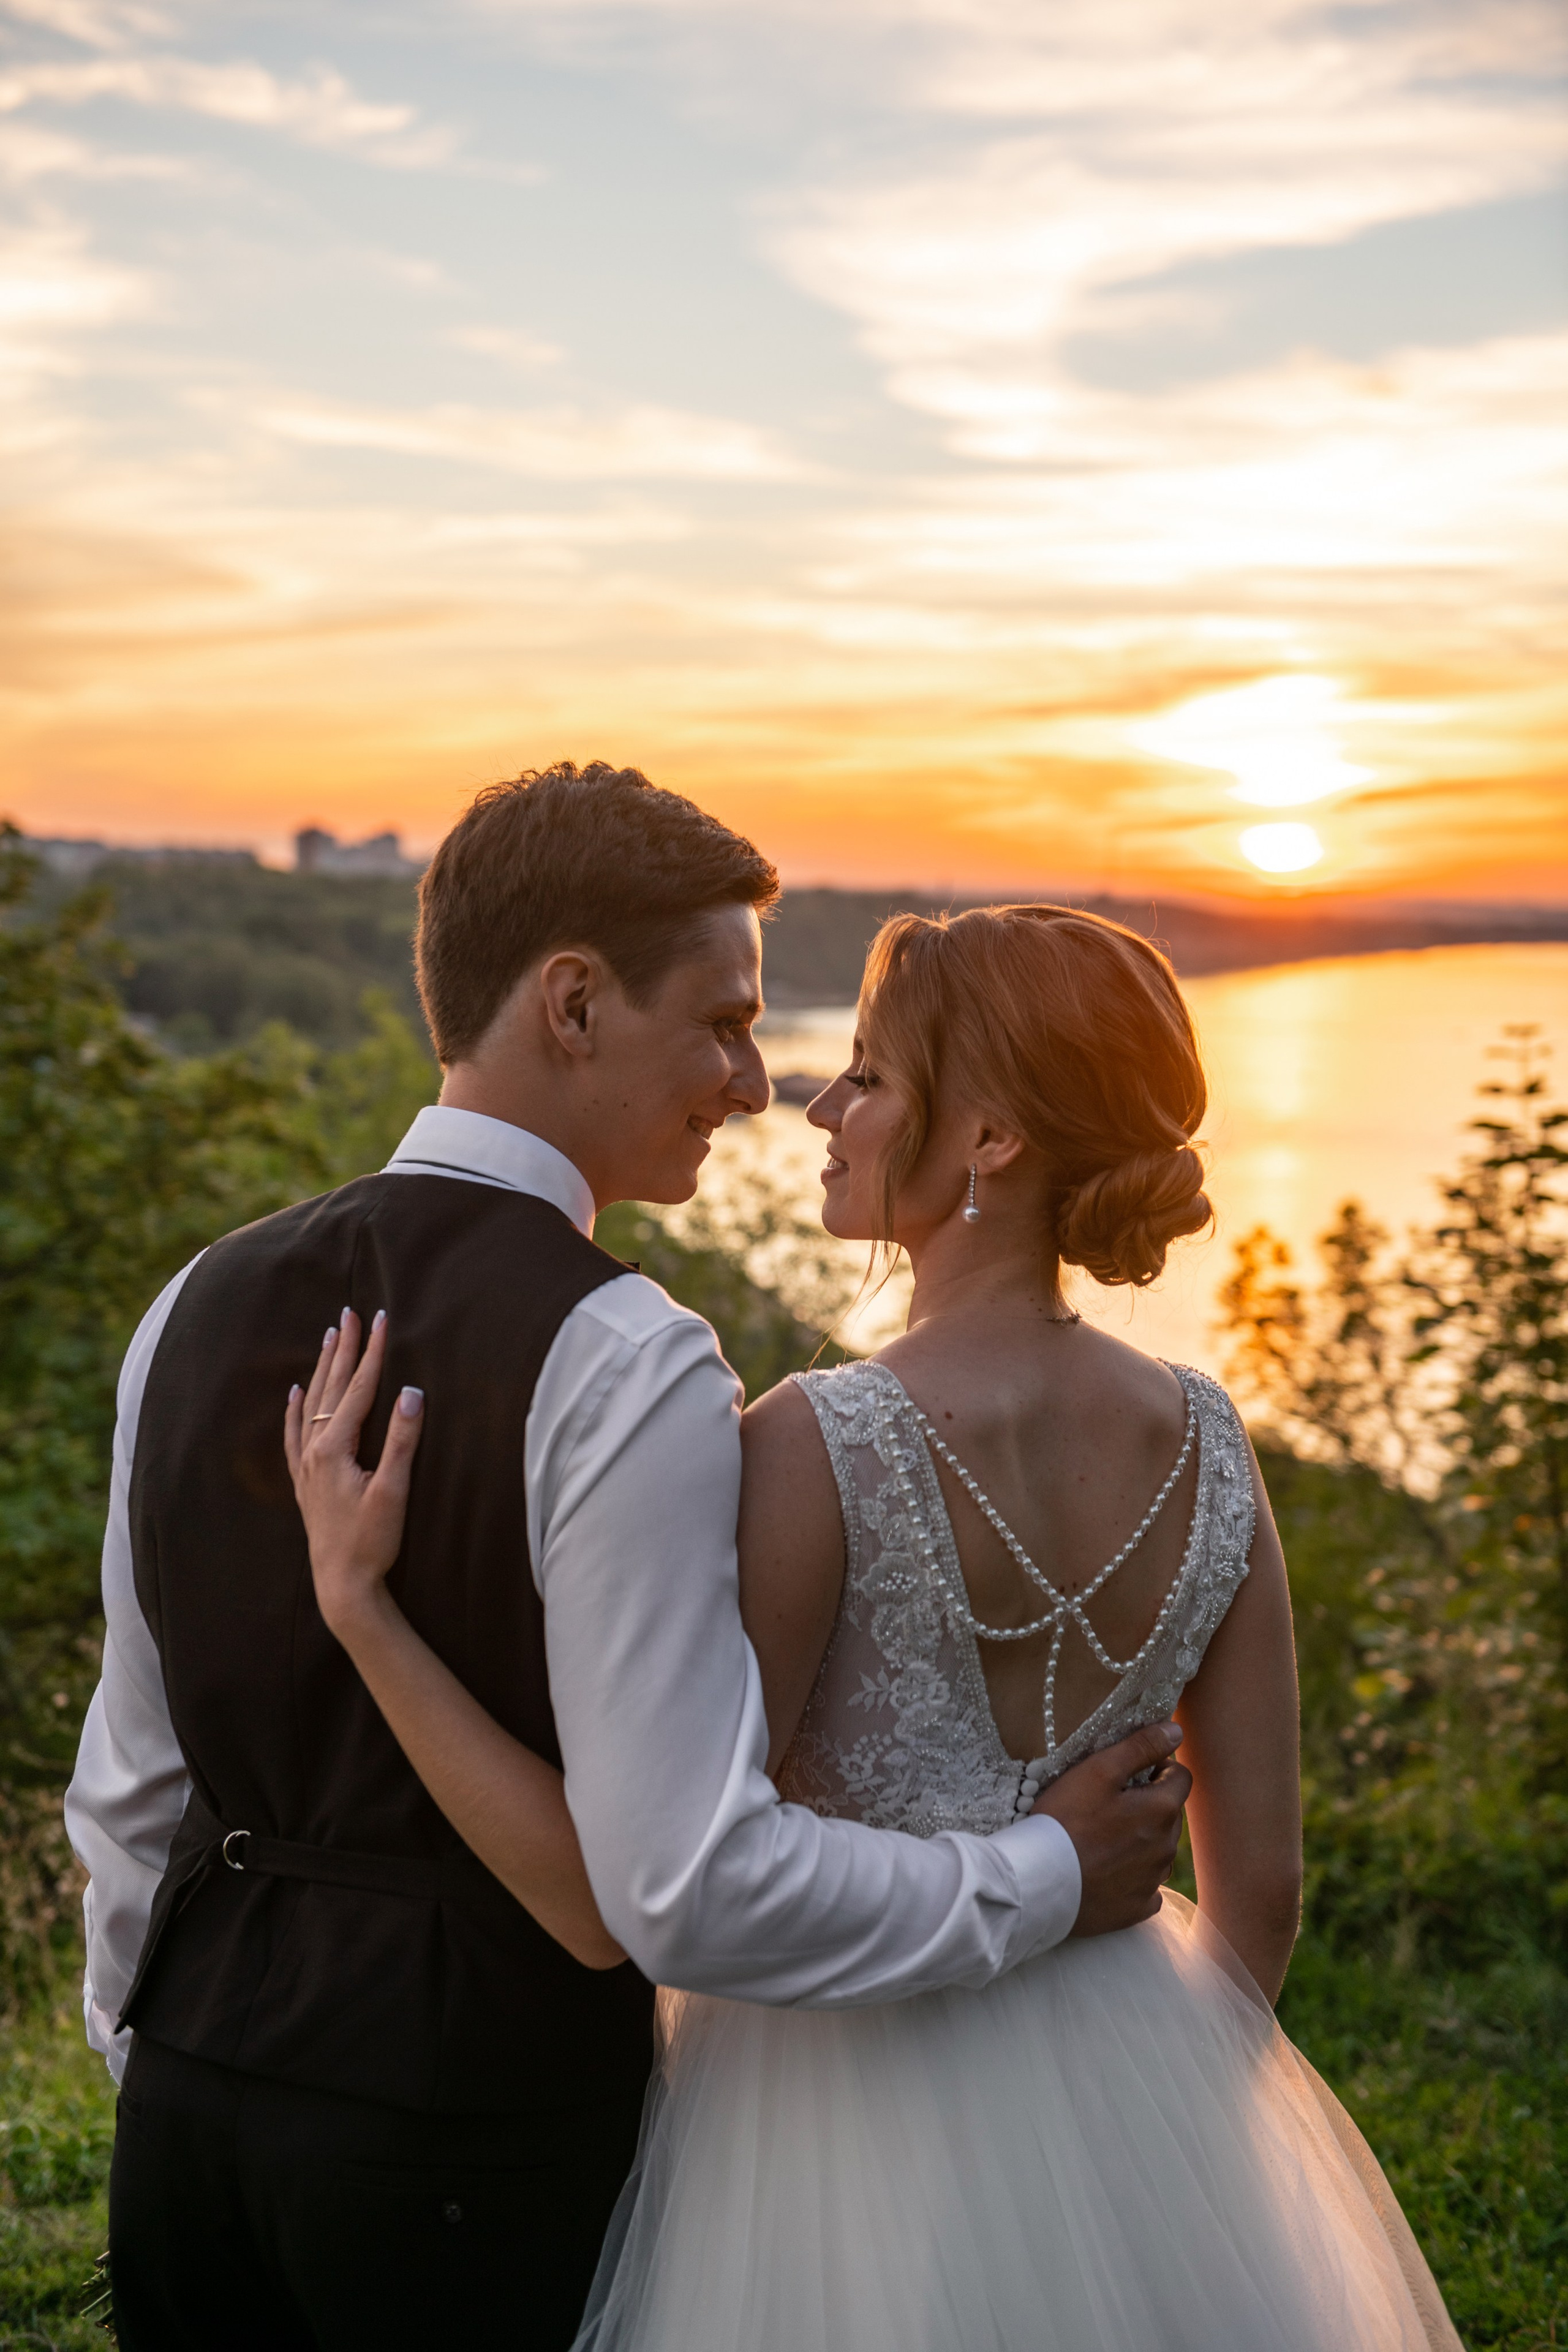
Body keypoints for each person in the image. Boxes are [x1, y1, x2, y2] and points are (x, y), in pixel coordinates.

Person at [64, 766, 1189, 2352]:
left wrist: (164, 2062)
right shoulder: (621, 1355)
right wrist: (1047, 1874)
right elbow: (688, 1887)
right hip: (462, 2156)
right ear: (573, 1003)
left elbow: (130, 1788)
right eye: (723, 1024)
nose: (750, 1082)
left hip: (187, 2137)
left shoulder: (194, 1303)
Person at [286, 900, 1463, 2352]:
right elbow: (1260, 1892)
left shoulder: (815, 1442)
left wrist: (366, 1614)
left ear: (990, 1142)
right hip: (1143, 2055)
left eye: (869, 1075)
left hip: (828, 2106)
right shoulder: (1216, 1446)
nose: (820, 1108)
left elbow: (684, 1871)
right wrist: (1163, 2127)